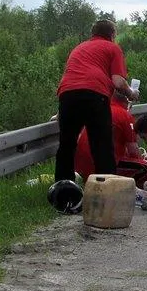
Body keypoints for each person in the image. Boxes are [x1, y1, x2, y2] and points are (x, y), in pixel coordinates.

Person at [54, 19, 139, 183]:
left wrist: (60, 112)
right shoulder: (112, 48)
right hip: (95, 94)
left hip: (67, 95)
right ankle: (105, 189)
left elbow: (75, 79)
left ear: (93, 33)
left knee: (67, 144)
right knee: (102, 146)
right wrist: (131, 94)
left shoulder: (78, 48)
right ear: (113, 34)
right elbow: (118, 82)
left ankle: (63, 189)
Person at [74, 91, 147, 187]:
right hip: (102, 165)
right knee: (145, 168)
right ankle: (133, 194)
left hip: (81, 165)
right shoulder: (124, 115)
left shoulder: (98, 110)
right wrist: (143, 160)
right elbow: (133, 151)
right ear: (128, 100)